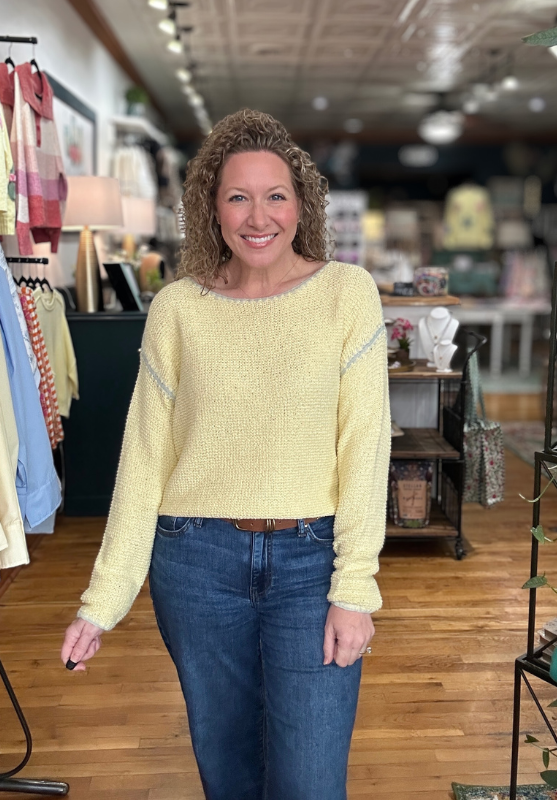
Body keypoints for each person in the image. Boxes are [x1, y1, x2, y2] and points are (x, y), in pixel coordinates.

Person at [61, 109, 391, 800]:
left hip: (312, 560)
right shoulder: (178, 308)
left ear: (303, 204)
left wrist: (354, 587)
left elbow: (365, 448)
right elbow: (145, 456)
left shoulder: (347, 293)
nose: (257, 215)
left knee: (310, 782)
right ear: (211, 209)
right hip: (194, 563)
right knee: (228, 773)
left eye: (276, 195)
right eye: (237, 196)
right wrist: (103, 600)